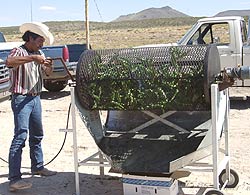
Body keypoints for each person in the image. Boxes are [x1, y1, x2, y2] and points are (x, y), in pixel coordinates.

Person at [6, 22, 57, 192]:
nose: (41, 44)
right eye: (39, 41)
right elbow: (9, 62)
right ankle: (14, 179)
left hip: (35, 98)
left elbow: (47, 73)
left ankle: (38, 166)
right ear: (30, 38)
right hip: (21, 98)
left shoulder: (39, 53)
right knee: (20, 136)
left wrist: (48, 66)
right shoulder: (18, 51)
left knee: (37, 135)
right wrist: (33, 58)